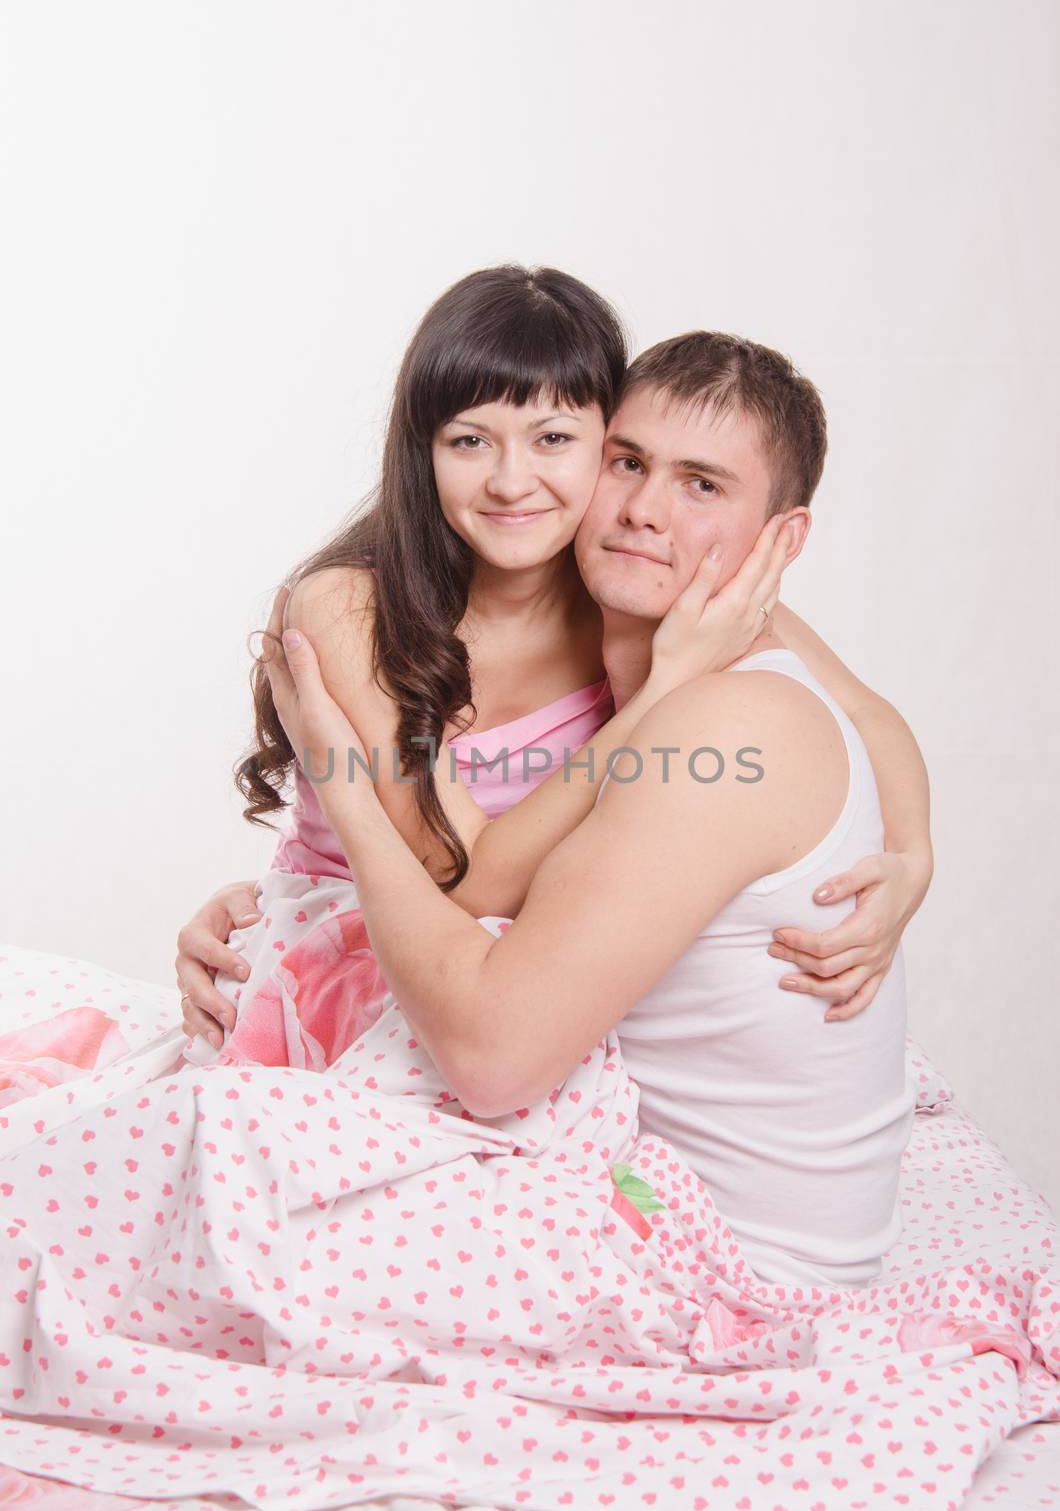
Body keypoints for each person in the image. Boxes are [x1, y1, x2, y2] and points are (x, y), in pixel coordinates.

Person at [260, 329, 921, 1288]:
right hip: (631, 1170)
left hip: (712, 1254)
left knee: (241, 1203)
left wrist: (915, 855)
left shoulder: (729, 711)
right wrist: (269, 909)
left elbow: (490, 1049)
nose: (646, 509)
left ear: (781, 541)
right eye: (627, 462)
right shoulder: (658, 641)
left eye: (702, 485)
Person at [177, 268, 932, 1065]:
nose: (511, 482)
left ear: (606, 440)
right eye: (469, 440)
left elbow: (868, 718)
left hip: (520, 992)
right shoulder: (351, 608)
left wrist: (911, 863)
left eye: (555, 440)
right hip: (370, 978)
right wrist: (664, 692)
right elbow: (461, 875)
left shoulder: (637, 586)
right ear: (421, 450)